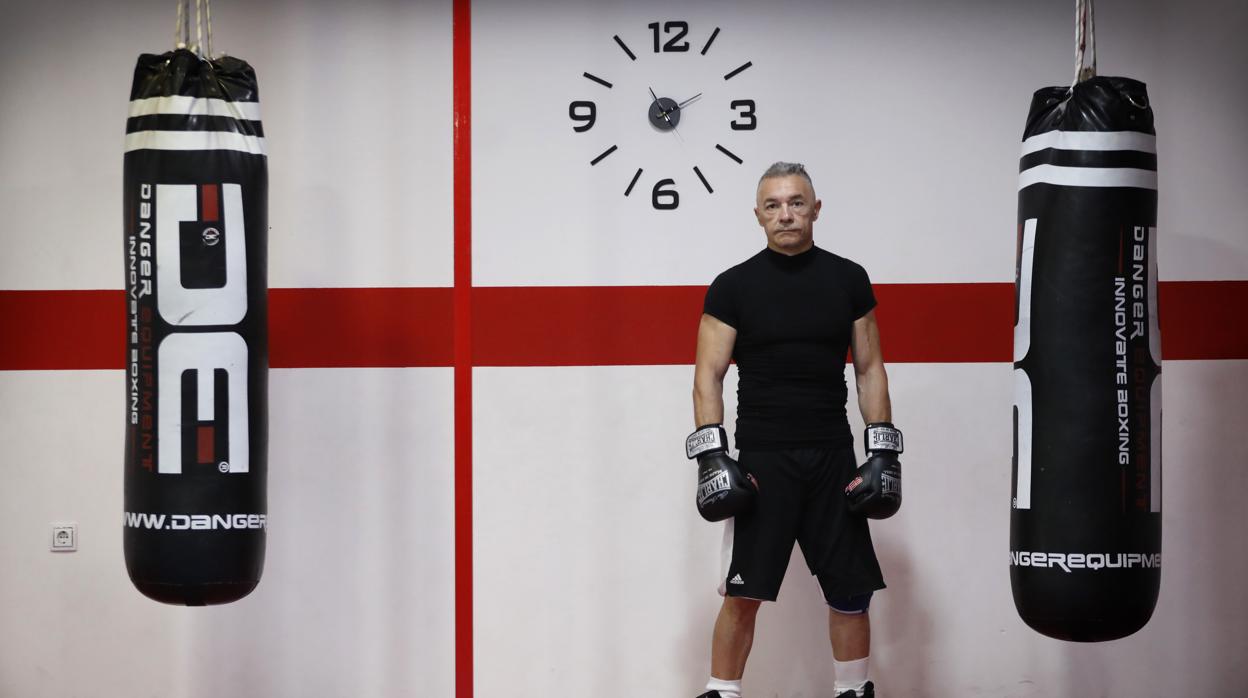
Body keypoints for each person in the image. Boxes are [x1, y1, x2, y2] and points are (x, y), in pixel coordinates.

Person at [686, 162, 902, 698]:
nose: (786, 214)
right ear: (757, 215)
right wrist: (713, 457)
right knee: (743, 593)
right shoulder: (732, 287)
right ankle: (721, 692)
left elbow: (870, 367)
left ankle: (853, 690)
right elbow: (706, 376)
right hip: (762, 461)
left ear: (816, 209)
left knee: (850, 592)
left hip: (833, 455)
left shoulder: (848, 278)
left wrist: (883, 449)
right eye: (774, 205)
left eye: (796, 202)